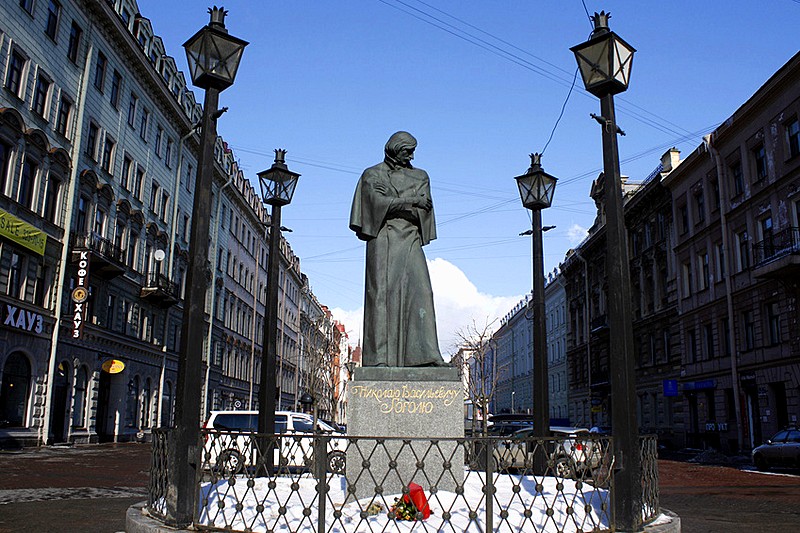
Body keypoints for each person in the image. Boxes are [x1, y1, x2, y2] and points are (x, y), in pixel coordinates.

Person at [349, 131, 445, 367]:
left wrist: (396, 202)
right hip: (382, 237)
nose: (412, 155)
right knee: (380, 295)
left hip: (410, 236)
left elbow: (425, 208)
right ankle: (379, 359)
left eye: (413, 151)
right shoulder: (372, 174)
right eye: (407, 150)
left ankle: (426, 355)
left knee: (422, 291)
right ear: (394, 148)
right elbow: (375, 203)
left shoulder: (421, 175)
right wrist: (410, 200)